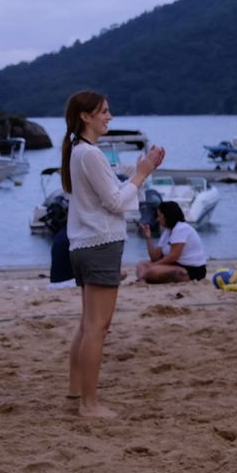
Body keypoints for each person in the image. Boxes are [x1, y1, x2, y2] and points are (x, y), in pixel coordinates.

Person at [61, 90, 166, 418]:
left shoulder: (79, 151)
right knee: (97, 328)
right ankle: (89, 405)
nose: (110, 116)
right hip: (99, 245)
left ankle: (75, 393)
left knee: (86, 324)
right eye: (104, 111)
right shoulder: (89, 154)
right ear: (85, 116)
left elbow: (109, 196)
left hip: (83, 245)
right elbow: (116, 203)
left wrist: (136, 173)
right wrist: (142, 172)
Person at [135, 201, 208, 284]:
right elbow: (155, 257)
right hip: (175, 265)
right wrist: (148, 238)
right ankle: (142, 280)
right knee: (141, 265)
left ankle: (144, 278)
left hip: (191, 269)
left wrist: (154, 265)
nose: (158, 219)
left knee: (153, 270)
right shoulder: (167, 231)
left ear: (167, 216)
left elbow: (174, 256)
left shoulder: (181, 228)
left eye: (159, 216)